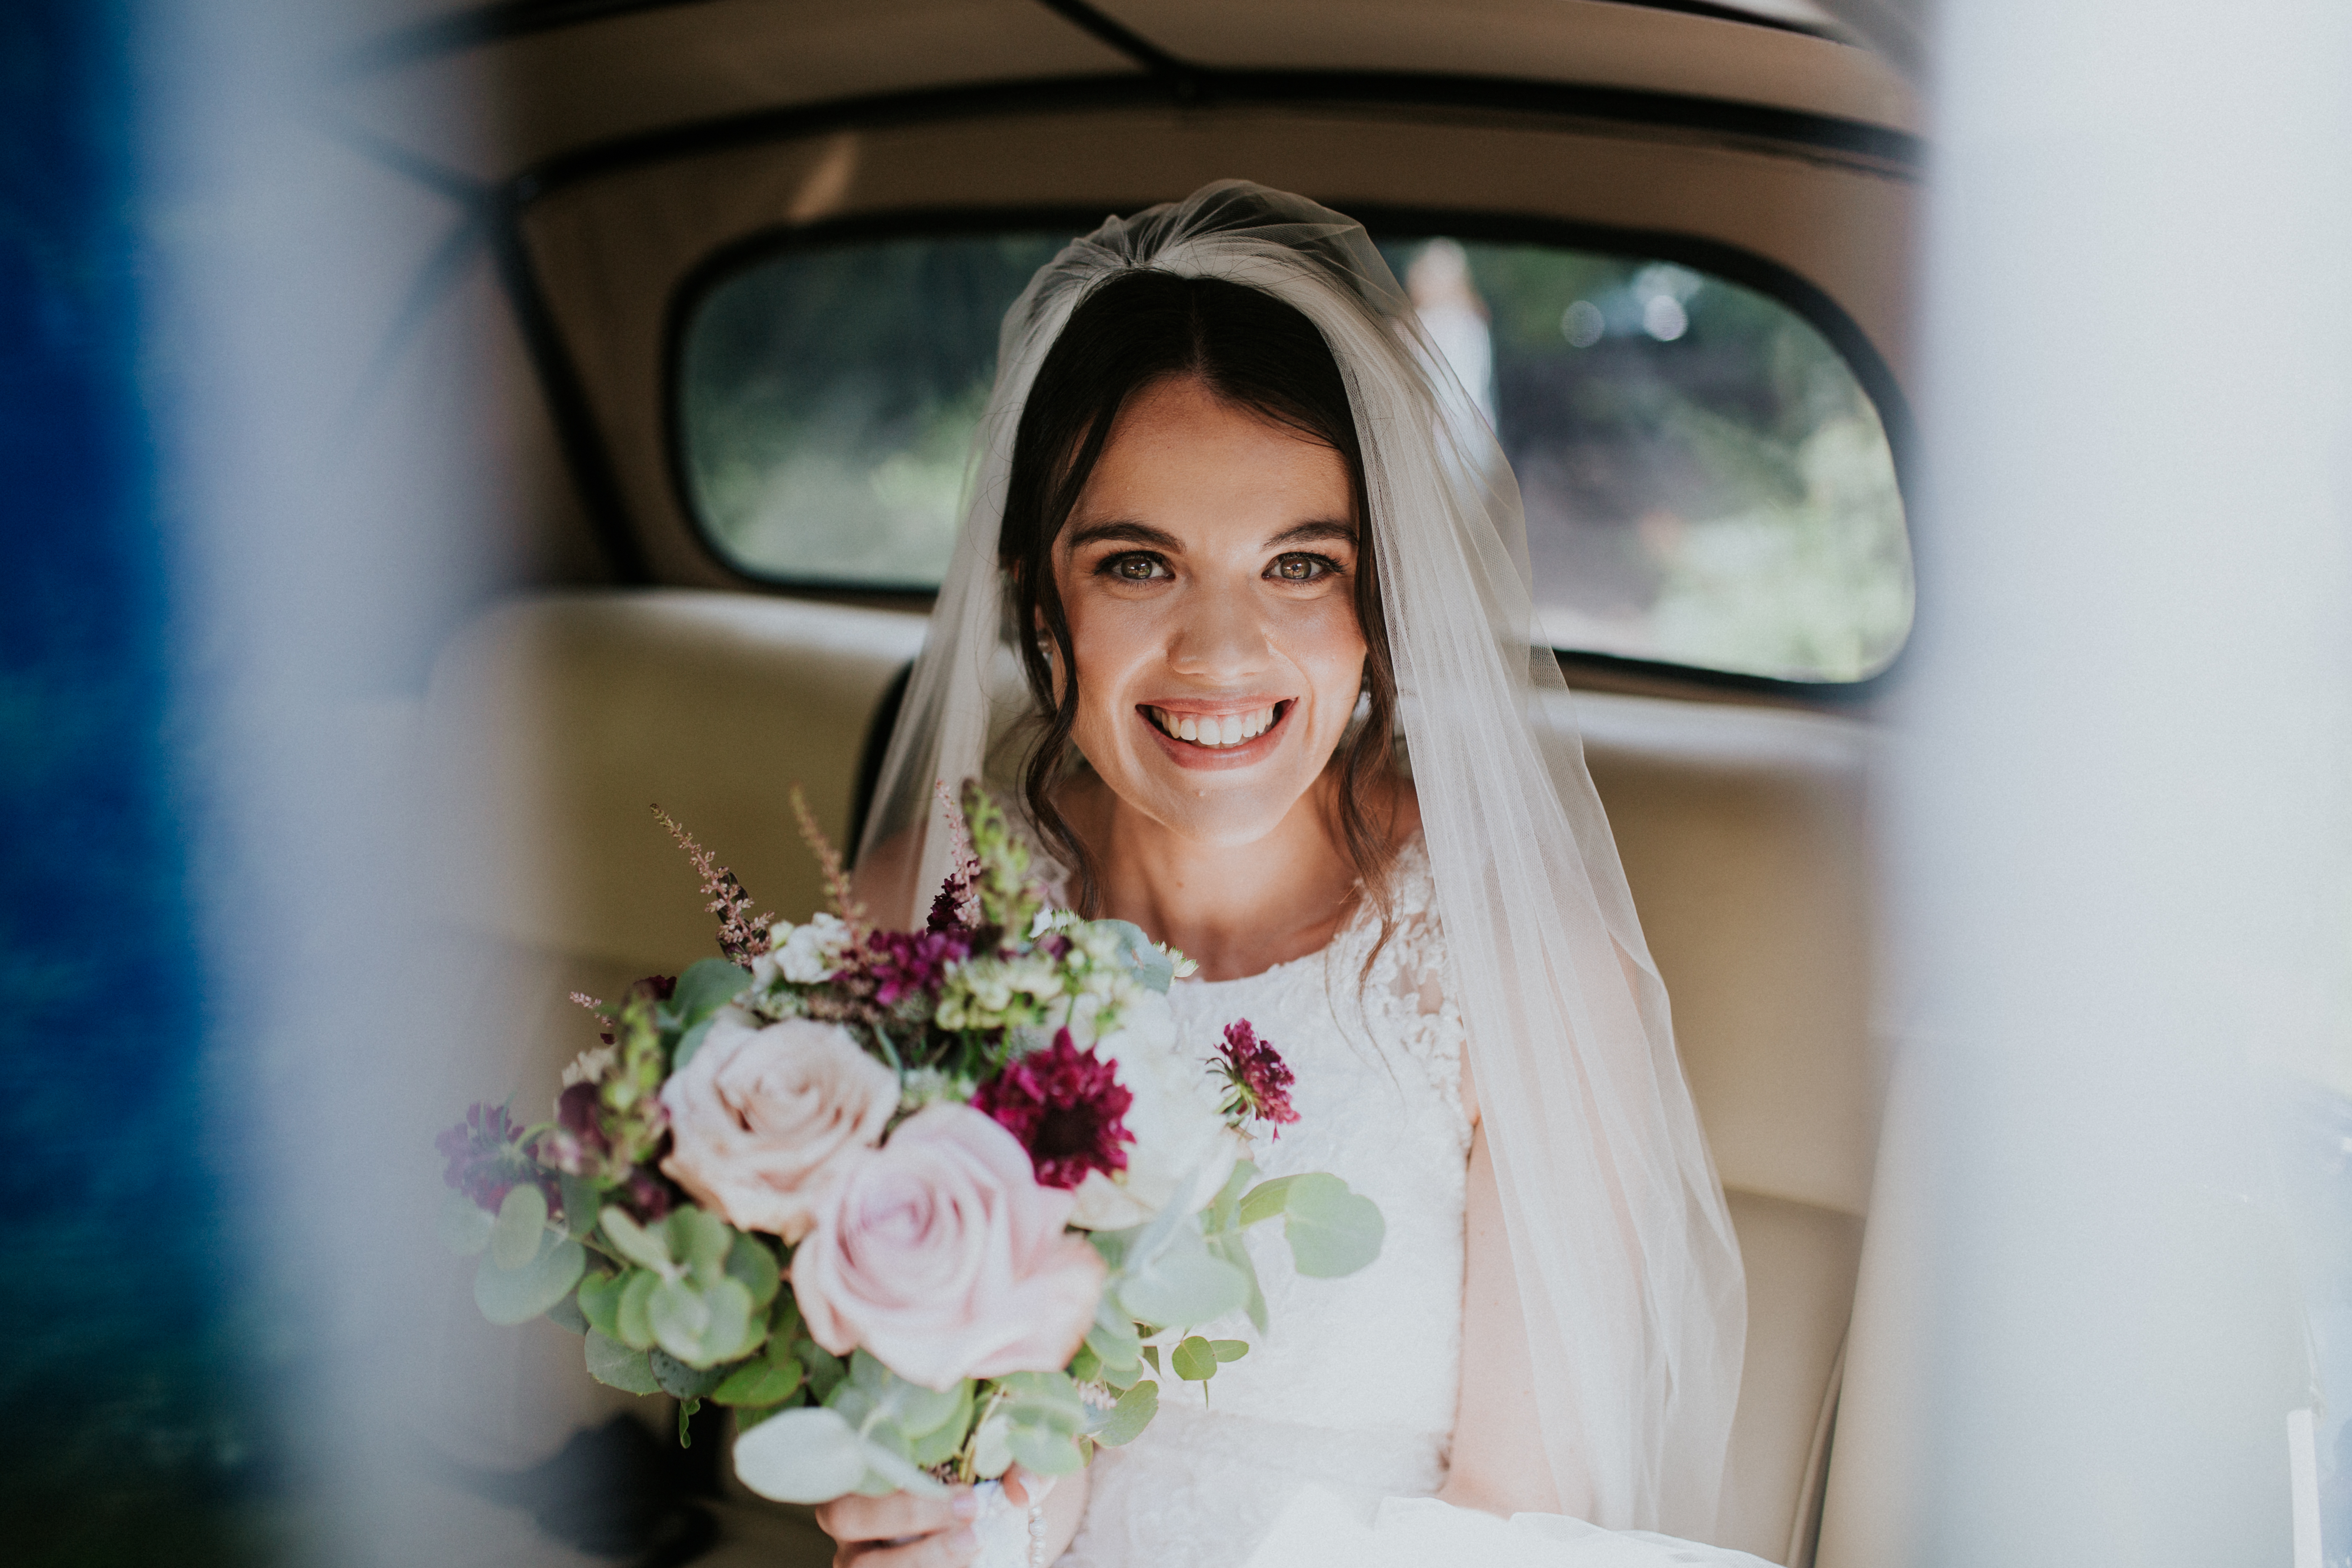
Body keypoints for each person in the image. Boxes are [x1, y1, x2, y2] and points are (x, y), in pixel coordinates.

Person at [823, 183, 1755, 1568]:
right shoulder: (924, 915)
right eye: (1138, 563)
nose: (1221, 653)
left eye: (1299, 567)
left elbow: (1516, 1521)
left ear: (1378, 611)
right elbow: (897, 1421)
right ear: (1036, 598)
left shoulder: (1521, 968)